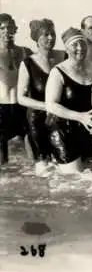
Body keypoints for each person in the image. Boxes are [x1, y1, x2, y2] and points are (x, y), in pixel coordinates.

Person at [44, 28, 92, 174]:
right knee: (76, 180)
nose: (80, 48)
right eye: (75, 45)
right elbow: (51, 105)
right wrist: (80, 117)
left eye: (83, 43)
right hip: (62, 129)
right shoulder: (58, 71)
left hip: (86, 130)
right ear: (67, 48)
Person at [17, 19, 67, 173]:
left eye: (52, 33)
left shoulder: (64, 56)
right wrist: (48, 106)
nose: (50, 38)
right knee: (44, 169)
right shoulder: (27, 63)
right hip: (37, 120)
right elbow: (21, 98)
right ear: (36, 38)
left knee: (67, 168)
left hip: (62, 119)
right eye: (45, 35)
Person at [0, 14, 33, 164]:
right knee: (2, 162)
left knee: (35, 156)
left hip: (22, 106)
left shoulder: (26, 52)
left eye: (9, 27)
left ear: (15, 28)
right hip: (1, 107)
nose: (6, 31)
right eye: (1, 28)